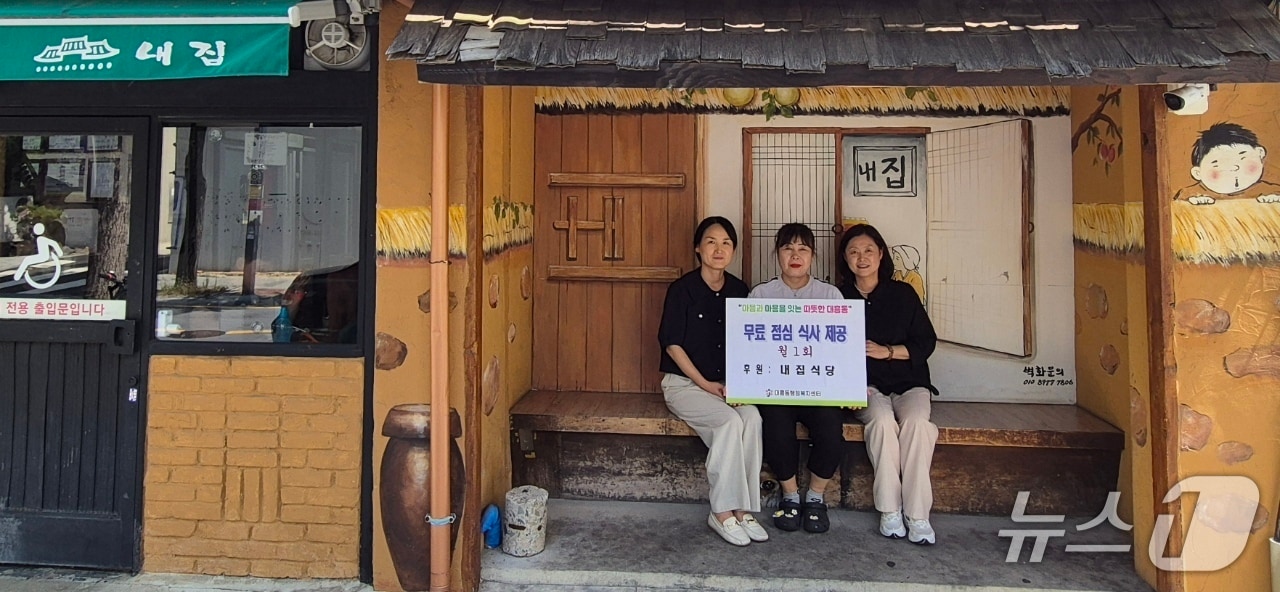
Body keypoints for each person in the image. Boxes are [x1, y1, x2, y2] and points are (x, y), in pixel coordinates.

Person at [658, 216, 767, 547]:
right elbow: (671, 344)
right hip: (685, 385)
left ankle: (742, 508)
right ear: (698, 248)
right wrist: (706, 384)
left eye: (726, 243)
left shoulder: (739, 290)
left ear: (733, 250)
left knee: (751, 417)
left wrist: (737, 383)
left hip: (728, 384)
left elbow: (748, 342)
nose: (719, 249)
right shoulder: (682, 289)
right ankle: (720, 512)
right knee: (728, 423)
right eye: (711, 241)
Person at [838, 223, 939, 545]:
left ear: (881, 254)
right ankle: (890, 510)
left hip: (910, 382)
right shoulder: (838, 296)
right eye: (853, 252)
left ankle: (918, 514)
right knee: (882, 424)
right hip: (867, 386)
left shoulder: (902, 293)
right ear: (845, 259)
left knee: (917, 425)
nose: (861, 257)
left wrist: (889, 352)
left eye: (868, 250)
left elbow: (926, 341)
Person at [748, 223, 846, 534]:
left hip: (819, 388)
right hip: (776, 388)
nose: (795, 255)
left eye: (803, 249)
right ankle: (790, 497)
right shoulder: (761, 295)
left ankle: (815, 498)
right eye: (787, 248)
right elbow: (749, 349)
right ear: (777, 254)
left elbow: (842, 350)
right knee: (776, 428)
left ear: (813, 256)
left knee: (832, 431)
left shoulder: (830, 295)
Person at [1173, 122, 1280, 205]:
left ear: (1260, 153)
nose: (1234, 167)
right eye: (1217, 164)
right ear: (1197, 173)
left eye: (1242, 158)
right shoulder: (1190, 194)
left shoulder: (1270, 191)